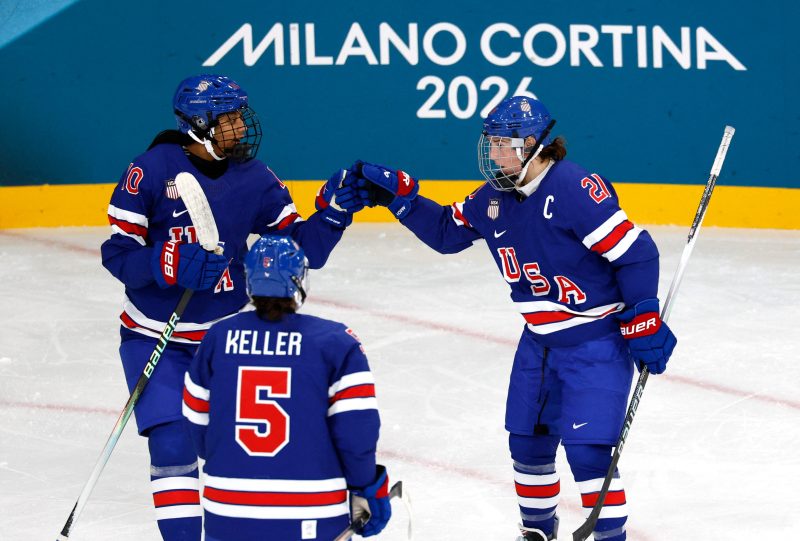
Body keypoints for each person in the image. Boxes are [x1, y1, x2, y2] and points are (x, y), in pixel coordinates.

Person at [348, 95, 677, 541]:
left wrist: (643, 317)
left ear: (535, 146)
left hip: (594, 342)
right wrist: (401, 200)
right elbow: (447, 232)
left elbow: (637, 254)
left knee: (589, 454)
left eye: (505, 145)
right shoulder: (493, 197)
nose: (496, 154)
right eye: (493, 144)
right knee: (527, 444)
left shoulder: (574, 189)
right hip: (538, 344)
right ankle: (537, 533)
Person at [100, 74, 364, 541]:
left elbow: (302, 251)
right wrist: (168, 261)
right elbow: (117, 253)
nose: (240, 127)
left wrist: (335, 215)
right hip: (153, 337)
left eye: (241, 116)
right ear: (199, 124)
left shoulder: (256, 178)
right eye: (229, 118)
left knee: (252, 447)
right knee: (172, 443)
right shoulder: (150, 170)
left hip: (228, 340)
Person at [182, 235, 392, 541]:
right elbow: (356, 431)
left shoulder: (217, 337)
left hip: (227, 511)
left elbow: (196, 421)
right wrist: (366, 487)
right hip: (312, 512)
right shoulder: (336, 342)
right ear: (301, 279)